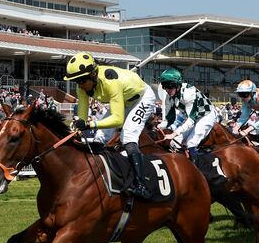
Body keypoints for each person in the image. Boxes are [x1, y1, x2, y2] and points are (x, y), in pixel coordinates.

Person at [64, 52, 154, 199]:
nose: (79, 85)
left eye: (82, 80)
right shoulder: (83, 88)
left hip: (142, 99)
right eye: (76, 81)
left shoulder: (110, 81)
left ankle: (142, 185)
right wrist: (79, 125)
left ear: (93, 74)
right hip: (124, 101)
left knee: (128, 136)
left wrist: (90, 124)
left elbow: (118, 120)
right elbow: (82, 117)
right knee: (100, 136)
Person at [158, 68, 216, 159]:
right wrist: (159, 127)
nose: (167, 89)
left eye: (169, 86)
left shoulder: (189, 93)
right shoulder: (169, 98)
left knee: (191, 142)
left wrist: (174, 133)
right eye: (164, 86)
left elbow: (191, 120)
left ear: (178, 85)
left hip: (205, 115)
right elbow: (170, 119)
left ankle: (198, 169)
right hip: (191, 117)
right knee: (175, 142)